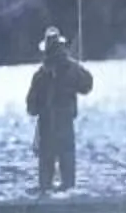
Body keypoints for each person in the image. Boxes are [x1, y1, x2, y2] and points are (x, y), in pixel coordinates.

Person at [25, 28, 93, 196]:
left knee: (45, 184)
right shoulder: (71, 69)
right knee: (68, 183)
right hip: (63, 129)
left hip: (47, 130)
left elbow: (31, 108)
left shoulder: (40, 76)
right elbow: (87, 86)